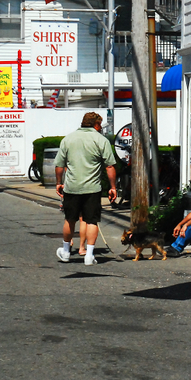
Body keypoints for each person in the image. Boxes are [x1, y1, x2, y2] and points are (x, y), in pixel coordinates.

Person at [54, 112, 117, 266]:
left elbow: (59, 165)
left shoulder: (68, 139)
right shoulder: (101, 140)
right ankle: (89, 255)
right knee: (91, 221)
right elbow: (110, 166)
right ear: (96, 124)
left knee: (70, 219)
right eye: (99, 125)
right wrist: (113, 187)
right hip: (92, 188)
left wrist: (58, 182)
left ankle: (66, 252)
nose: (100, 128)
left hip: (72, 187)